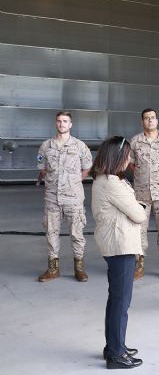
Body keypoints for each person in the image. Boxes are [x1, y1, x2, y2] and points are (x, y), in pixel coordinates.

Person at [91, 136, 146, 369]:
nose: (129, 159)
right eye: (127, 156)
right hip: (120, 245)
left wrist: (133, 209)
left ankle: (114, 346)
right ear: (117, 157)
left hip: (116, 243)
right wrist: (138, 209)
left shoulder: (106, 179)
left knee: (116, 300)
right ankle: (115, 354)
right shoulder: (111, 183)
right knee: (120, 302)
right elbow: (140, 214)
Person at [36, 111, 92, 282]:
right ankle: (53, 269)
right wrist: (53, 180)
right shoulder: (46, 146)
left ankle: (79, 268)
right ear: (56, 123)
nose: (62, 124)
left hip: (73, 198)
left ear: (71, 124)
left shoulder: (80, 146)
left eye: (65, 121)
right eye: (59, 121)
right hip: (52, 197)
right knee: (51, 233)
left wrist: (73, 182)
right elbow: (42, 167)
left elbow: (87, 167)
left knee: (77, 234)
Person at [129, 108, 159, 280]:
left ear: (157, 121)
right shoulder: (135, 141)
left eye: (153, 118)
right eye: (146, 118)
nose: (150, 121)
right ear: (142, 121)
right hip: (141, 193)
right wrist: (143, 177)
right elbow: (132, 164)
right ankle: (139, 264)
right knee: (139, 229)